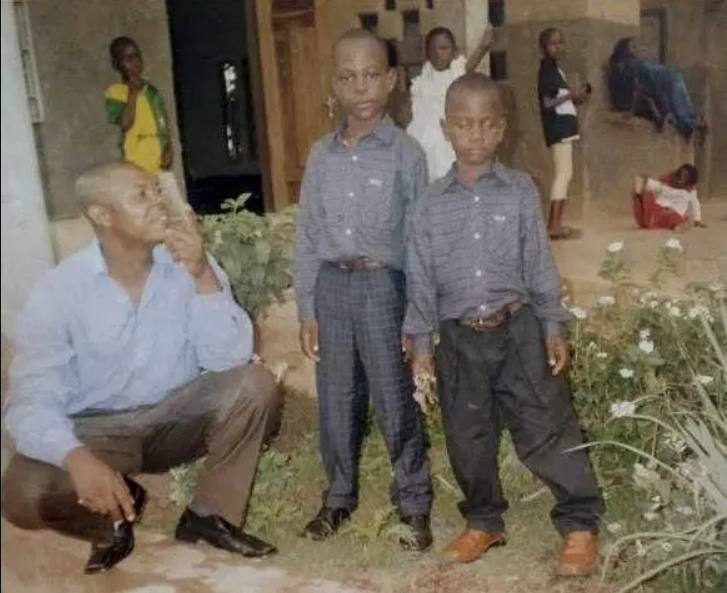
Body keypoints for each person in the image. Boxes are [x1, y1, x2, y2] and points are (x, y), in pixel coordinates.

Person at [1, 163, 281, 574]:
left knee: (254, 387)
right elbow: (29, 401)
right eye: (141, 196)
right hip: (97, 430)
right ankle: (111, 521)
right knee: (19, 493)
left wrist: (203, 275)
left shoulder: (186, 263)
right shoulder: (59, 292)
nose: (159, 205)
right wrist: (77, 457)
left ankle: (209, 515)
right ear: (102, 215)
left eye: (155, 191)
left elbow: (230, 360)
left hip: (174, 417)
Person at [404, 72, 603, 576]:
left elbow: (538, 263)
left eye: (486, 124)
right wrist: (422, 344)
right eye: (464, 124)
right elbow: (421, 279)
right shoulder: (428, 205)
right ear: (446, 128)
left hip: (517, 329)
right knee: (467, 434)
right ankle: (484, 521)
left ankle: (579, 523)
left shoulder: (519, 192)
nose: (475, 135)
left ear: (502, 129)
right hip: (457, 338)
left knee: (547, 423)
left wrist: (552, 325)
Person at [294, 29, 433, 551]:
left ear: (393, 80)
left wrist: (417, 322)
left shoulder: (407, 155)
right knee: (335, 399)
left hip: (383, 287)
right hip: (332, 287)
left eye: (373, 74)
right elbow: (307, 235)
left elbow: (419, 244)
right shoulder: (320, 156)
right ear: (334, 85)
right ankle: (338, 498)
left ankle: (413, 505)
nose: (362, 87)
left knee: (395, 399)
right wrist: (306, 306)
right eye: (348, 77)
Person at [105, 36, 183, 215]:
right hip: (136, 162)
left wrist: (168, 147)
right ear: (117, 65)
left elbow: (162, 121)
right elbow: (125, 123)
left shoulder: (152, 91)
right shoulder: (115, 92)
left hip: (158, 160)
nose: (135, 63)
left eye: (137, 56)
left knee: (176, 211)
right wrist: (132, 93)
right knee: (148, 212)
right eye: (128, 59)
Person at [407, 24, 494, 182]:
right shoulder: (421, 81)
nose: (438, 54)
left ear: (454, 51)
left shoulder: (456, 73)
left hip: (447, 144)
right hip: (423, 141)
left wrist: (483, 47)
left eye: (443, 48)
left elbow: (469, 65)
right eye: (432, 50)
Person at [537, 28, 591, 240]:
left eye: (560, 42)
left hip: (564, 128)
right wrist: (571, 93)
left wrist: (577, 97)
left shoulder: (556, 70)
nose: (557, 47)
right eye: (552, 43)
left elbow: (560, 99)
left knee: (565, 174)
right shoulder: (546, 71)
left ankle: (555, 223)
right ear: (543, 47)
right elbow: (548, 103)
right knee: (563, 174)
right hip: (558, 129)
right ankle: (554, 224)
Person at [607, 37, 701, 141]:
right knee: (672, 76)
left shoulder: (629, 64)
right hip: (642, 79)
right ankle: (686, 121)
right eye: (633, 46)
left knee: (671, 78)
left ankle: (686, 120)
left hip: (645, 81)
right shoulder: (626, 64)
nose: (636, 49)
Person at [633, 164, 706, 230]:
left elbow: (695, 204)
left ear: (689, 181)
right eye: (680, 175)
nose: (681, 179)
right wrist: (644, 181)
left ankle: (677, 225)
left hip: (671, 216)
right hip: (654, 214)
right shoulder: (666, 184)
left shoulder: (689, 192)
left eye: (685, 177)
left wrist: (697, 220)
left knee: (675, 216)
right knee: (646, 196)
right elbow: (653, 184)